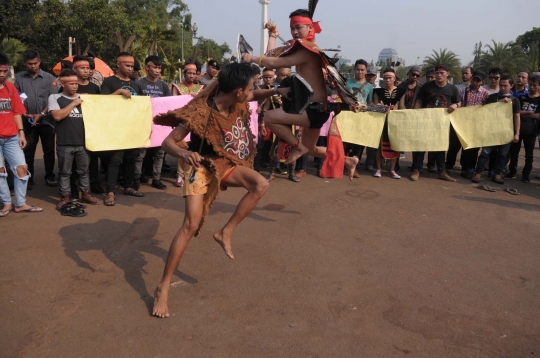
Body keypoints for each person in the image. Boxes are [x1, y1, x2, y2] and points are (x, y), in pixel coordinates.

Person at [152, 63, 288, 318]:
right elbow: (168, 142)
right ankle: (164, 286)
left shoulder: (238, 100)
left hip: (225, 163)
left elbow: (255, 95)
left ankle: (225, 232)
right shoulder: (200, 112)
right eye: (249, 87)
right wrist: (184, 152)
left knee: (261, 184)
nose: (252, 91)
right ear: (238, 91)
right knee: (190, 226)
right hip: (201, 167)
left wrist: (279, 90)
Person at [242, 8, 362, 180]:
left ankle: (298, 147)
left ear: (310, 28)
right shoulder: (302, 48)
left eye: (299, 27)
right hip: (316, 110)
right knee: (311, 149)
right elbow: (271, 56)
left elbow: (276, 63)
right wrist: (274, 37)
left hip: (312, 110)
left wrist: (252, 58)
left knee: (269, 117)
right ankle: (348, 161)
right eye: (292, 28)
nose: (295, 31)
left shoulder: (307, 50)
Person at [48, 69, 101, 211]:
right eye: (71, 84)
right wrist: (74, 103)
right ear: (63, 83)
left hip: (83, 142)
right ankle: (65, 197)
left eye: (76, 84)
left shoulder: (85, 98)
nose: (75, 86)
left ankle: (86, 193)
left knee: (84, 171)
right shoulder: (55, 98)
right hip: (64, 142)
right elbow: (57, 116)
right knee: (65, 172)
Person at [0, 52, 43, 216]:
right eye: (0, 72)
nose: (2, 75)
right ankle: (6, 204)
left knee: (22, 169)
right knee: (0, 172)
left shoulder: (11, 88)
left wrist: (21, 133)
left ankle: (20, 203)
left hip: (12, 137)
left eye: (5, 71)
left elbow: (17, 112)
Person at [100, 52, 144, 206]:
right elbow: (101, 103)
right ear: (118, 64)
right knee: (115, 159)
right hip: (115, 127)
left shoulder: (136, 84)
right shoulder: (109, 82)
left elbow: (142, 106)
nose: (130, 69)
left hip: (131, 127)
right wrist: (118, 92)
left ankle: (128, 186)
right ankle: (110, 191)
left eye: (132, 66)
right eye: (127, 65)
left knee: (131, 158)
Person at [14, 50, 58, 189]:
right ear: (24, 63)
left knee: (49, 149)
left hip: (47, 120)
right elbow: (16, 99)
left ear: (40, 62)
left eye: (35, 63)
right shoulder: (19, 78)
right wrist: (25, 113)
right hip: (27, 120)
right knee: (28, 149)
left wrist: (41, 114)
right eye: (30, 64)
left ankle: (50, 176)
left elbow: (53, 99)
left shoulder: (49, 78)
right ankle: (29, 177)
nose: (33, 66)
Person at [410, 64, 460, 182]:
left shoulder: (453, 88)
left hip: (442, 124)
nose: (439, 75)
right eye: (437, 73)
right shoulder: (427, 86)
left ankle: (441, 172)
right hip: (425, 121)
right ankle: (416, 170)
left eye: (442, 73)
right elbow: (419, 101)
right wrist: (416, 116)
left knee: (440, 147)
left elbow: (459, 102)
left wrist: (455, 105)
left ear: (447, 74)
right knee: (420, 146)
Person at [472, 75, 520, 184]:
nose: (502, 87)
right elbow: (486, 112)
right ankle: (478, 173)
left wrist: (517, 133)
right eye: (501, 85)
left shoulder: (515, 101)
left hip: (506, 132)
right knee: (485, 153)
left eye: (505, 85)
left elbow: (517, 117)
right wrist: (499, 104)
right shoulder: (492, 97)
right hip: (491, 131)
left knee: (502, 154)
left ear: (511, 86)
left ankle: (497, 174)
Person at [135, 55, 171, 190]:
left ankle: (156, 179)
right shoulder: (139, 83)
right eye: (154, 67)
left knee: (160, 153)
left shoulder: (163, 85)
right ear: (147, 68)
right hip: (143, 124)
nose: (157, 70)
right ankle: (136, 179)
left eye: (159, 68)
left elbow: (169, 103)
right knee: (140, 154)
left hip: (160, 125)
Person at [171, 62, 205, 188]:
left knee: (195, 149)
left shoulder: (200, 88)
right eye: (189, 73)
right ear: (184, 74)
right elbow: (173, 103)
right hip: (181, 122)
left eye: (194, 73)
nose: (191, 76)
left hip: (195, 123)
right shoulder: (177, 87)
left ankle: (192, 173)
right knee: (182, 148)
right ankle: (180, 174)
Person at [506, 74, 540, 183]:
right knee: (514, 152)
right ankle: (512, 172)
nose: (532, 87)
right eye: (530, 85)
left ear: (539, 86)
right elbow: (516, 112)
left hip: (532, 130)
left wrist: (523, 114)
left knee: (529, 155)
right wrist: (529, 112)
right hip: (519, 129)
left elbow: (538, 115)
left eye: (534, 85)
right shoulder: (521, 98)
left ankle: (526, 175)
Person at [456, 70, 490, 179]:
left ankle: (471, 168)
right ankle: (464, 168)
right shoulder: (463, 91)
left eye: (477, 80)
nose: (474, 82)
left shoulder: (485, 93)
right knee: (465, 147)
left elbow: (487, 109)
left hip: (478, 125)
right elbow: (459, 105)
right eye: (473, 79)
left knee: (475, 148)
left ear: (482, 82)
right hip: (464, 123)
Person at [345, 59, 374, 175]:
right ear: (354, 70)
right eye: (358, 69)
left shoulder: (369, 86)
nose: (360, 72)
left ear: (366, 71)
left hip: (362, 118)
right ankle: (344, 163)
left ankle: (354, 166)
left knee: (358, 143)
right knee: (345, 142)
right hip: (347, 116)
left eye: (362, 70)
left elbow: (370, 101)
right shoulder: (347, 82)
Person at [372, 68, 403, 179]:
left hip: (395, 123)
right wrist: (379, 107)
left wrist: (395, 110)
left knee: (395, 145)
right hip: (381, 122)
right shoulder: (377, 92)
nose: (387, 80)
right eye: (385, 78)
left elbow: (402, 108)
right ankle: (379, 169)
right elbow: (374, 107)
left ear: (394, 78)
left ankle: (392, 170)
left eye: (390, 77)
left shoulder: (401, 92)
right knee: (380, 146)